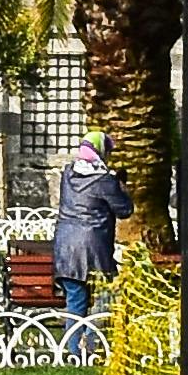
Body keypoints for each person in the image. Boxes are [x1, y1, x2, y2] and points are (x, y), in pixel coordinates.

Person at [50, 135, 124, 359]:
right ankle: (92, 348)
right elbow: (124, 209)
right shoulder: (105, 181)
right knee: (105, 297)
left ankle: (74, 351)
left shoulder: (68, 174)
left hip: (65, 250)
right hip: (94, 250)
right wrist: (121, 186)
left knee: (75, 301)